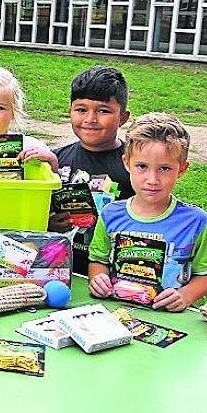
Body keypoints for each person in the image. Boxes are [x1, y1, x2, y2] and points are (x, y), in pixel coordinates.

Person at [88, 113, 207, 312]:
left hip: (172, 320)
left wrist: (185, 295)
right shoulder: (110, 214)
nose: (152, 179)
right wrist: (98, 279)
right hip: (116, 314)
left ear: (182, 169)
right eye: (142, 166)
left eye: (165, 168)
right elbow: (98, 260)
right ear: (126, 163)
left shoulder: (196, 222)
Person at [49, 65, 133, 274]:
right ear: (70, 110)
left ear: (122, 117)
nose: (90, 119)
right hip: (61, 269)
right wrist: (48, 223)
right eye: (81, 109)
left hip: (113, 276)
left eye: (103, 111)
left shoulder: (134, 167)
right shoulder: (55, 160)